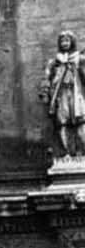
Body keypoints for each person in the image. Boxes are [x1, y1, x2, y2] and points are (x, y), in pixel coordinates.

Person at [41, 30, 85, 158]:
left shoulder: (80, 59)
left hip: (77, 93)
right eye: (62, 41)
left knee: (81, 120)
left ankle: (82, 151)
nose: (65, 43)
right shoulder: (54, 62)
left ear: (72, 42)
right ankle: (67, 152)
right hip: (61, 93)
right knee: (62, 122)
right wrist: (45, 92)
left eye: (67, 40)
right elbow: (46, 77)